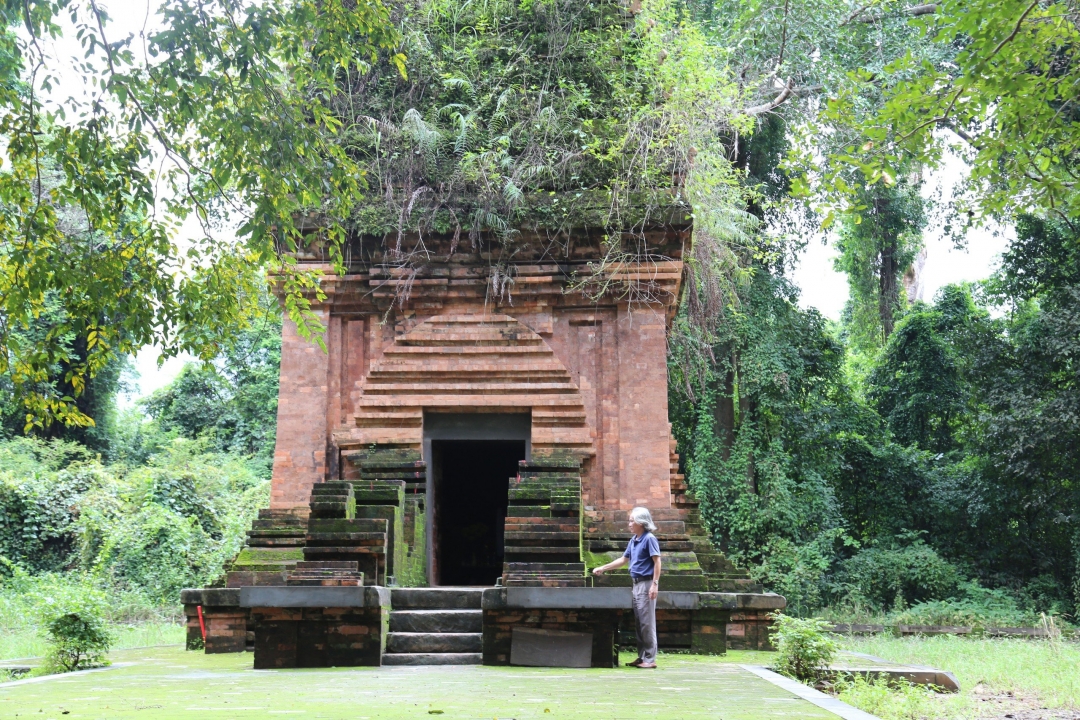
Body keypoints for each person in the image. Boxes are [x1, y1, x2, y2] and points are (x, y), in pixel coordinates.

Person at [592, 506, 661, 668]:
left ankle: (650, 659)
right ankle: (642, 656)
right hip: (636, 584)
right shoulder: (634, 540)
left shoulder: (649, 538)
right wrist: (603, 568)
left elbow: (657, 561)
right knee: (639, 622)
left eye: (632, 521)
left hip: (646, 583)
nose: (629, 524)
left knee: (647, 622)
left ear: (641, 523)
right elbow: (623, 560)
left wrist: (654, 584)